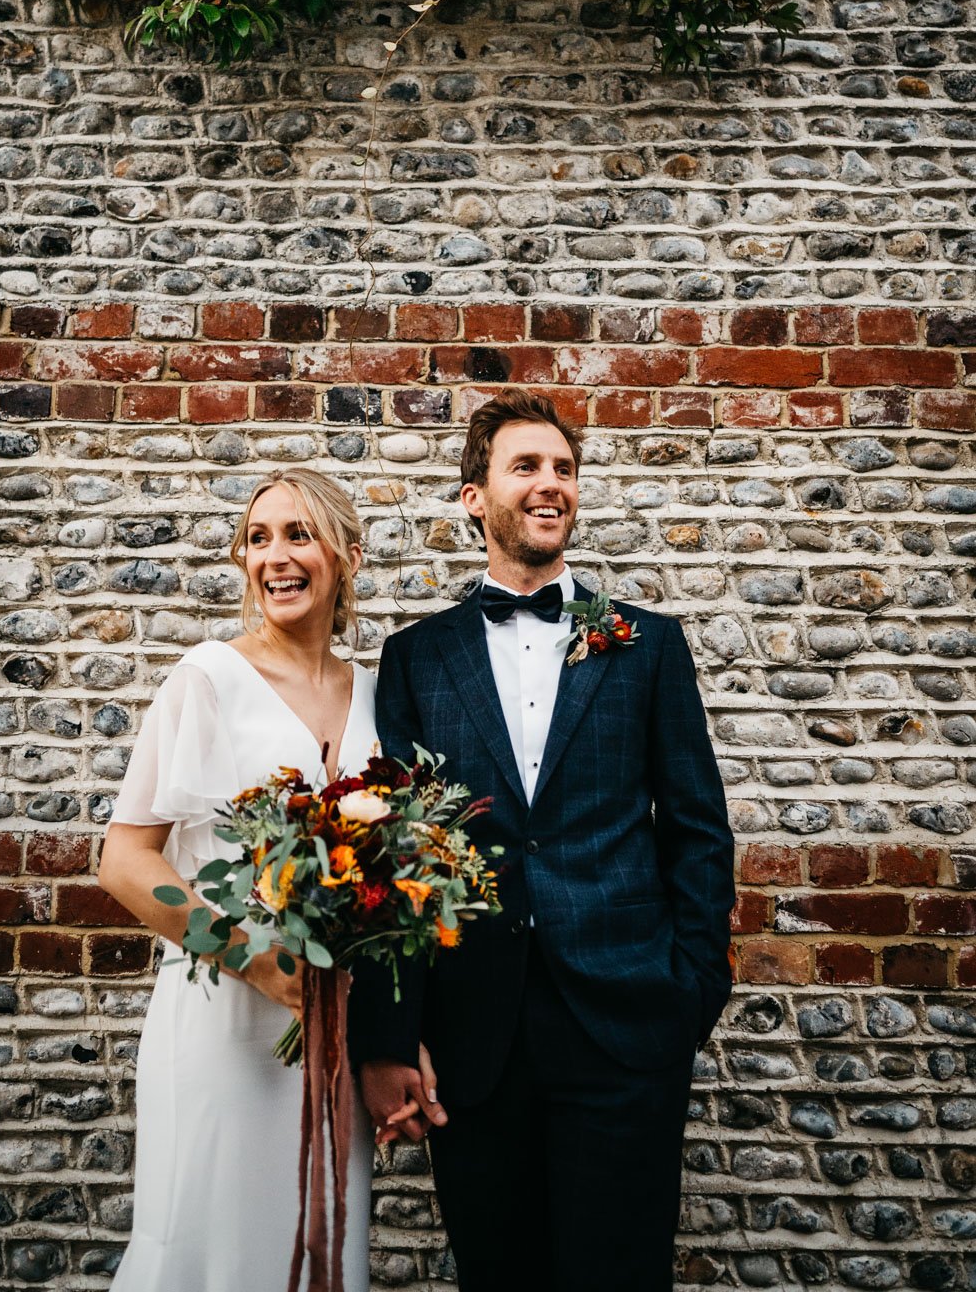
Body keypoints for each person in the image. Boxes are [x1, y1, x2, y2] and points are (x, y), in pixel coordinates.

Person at [348, 388, 735, 1292]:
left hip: (627, 1026)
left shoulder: (647, 646)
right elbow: (394, 860)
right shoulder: (415, 658)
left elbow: (696, 830)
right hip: (476, 1037)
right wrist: (390, 1039)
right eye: (525, 467)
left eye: (563, 469)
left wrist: (690, 992)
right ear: (473, 498)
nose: (549, 484)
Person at [99, 468, 374, 1292]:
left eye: (298, 534)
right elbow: (124, 858)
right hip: (221, 1023)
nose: (274, 556)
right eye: (257, 539)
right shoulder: (207, 678)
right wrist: (254, 958)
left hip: (333, 1034)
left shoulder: (379, 689)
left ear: (347, 557)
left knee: (322, 1241)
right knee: (206, 1248)